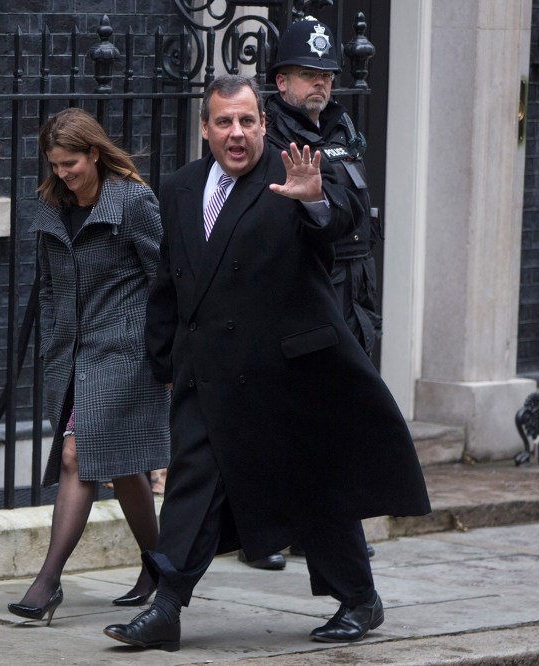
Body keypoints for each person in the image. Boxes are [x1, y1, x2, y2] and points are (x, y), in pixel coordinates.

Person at [102, 75, 430, 652]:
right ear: (204, 128)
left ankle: (359, 598)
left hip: (288, 371)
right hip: (208, 371)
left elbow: (344, 220)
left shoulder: (294, 173)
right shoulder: (178, 188)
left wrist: (317, 201)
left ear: (263, 124)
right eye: (224, 122)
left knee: (314, 487)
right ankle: (167, 607)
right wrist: (162, 362)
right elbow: (169, 281)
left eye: (248, 121)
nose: (237, 133)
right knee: (192, 487)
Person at [7, 107, 170, 625]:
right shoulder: (51, 207)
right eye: (55, 164)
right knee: (121, 467)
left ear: (95, 153)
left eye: (71, 162)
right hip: (73, 356)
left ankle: (47, 582)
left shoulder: (133, 201)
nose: (63, 173)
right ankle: (160, 565)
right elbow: (50, 286)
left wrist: (158, 348)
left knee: (77, 456)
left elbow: (163, 279)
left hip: (125, 353)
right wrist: (56, 338)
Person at [239, 16, 382, 573]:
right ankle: (270, 528)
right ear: (281, 83)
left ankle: (328, 527)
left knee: (341, 412)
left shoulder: (343, 130)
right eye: (306, 74)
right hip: (296, 288)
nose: (319, 83)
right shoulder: (264, 136)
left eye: (325, 74)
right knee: (280, 412)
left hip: (350, 286)